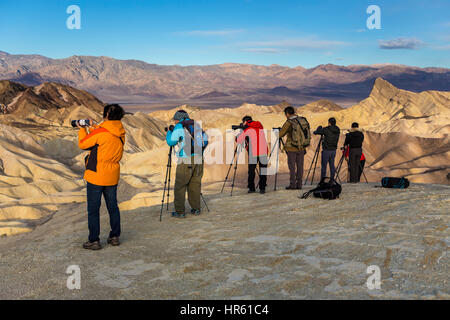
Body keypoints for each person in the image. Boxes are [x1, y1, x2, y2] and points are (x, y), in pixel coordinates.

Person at [78, 104, 126, 250]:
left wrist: (82, 128)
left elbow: (83, 144)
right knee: (113, 207)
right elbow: (105, 135)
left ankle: (94, 240)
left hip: (96, 175)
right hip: (112, 176)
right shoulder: (120, 132)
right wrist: (94, 127)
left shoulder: (101, 132)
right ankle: (115, 236)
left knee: (93, 210)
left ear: (105, 115)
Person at [166, 110, 208, 218]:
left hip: (185, 159)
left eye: (175, 119)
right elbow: (206, 140)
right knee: (195, 184)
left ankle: (180, 212)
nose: (175, 121)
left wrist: (169, 132)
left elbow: (171, 141)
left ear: (179, 119)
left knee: (180, 186)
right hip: (199, 159)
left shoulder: (179, 126)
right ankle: (196, 209)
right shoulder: (196, 125)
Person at [279, 106, 310, 190]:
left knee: (292, 167)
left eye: (286, 114)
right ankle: (299, 185)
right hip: (301, 147)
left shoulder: (289, 122)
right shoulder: (301, 120)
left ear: (287, 114)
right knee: (300, 166)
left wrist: (278, 131)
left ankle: (293, 185)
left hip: (291, 148)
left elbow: (281, 134)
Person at [236, 116, 268, 194]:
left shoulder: (248, 129)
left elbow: (239, 140)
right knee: (263, 170)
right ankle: (262, 188)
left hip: (253, 152)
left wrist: (238, 135)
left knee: (251, 171)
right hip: (263, 150)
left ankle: (252, 188)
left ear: (245, 122)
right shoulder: (260, 126)